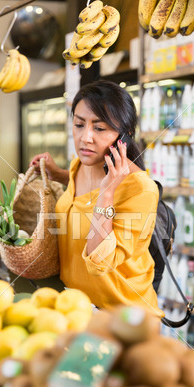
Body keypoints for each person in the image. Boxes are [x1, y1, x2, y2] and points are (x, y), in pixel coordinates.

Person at [30, 80, 163, 317]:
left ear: (124, 136)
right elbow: (80, 198)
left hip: (123, 318)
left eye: (99, 129)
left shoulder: (140, 188)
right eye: (79, 124)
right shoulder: (78, 166)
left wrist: (108, 191)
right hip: (76, 307)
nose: (85, 137)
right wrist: (58, 173)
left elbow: (98, 262)